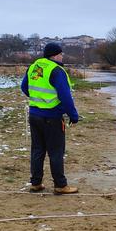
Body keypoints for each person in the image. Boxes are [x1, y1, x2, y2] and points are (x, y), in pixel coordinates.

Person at [21, 43, 79, 194]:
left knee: (37, 150)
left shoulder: (34, 66)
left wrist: (37, 99)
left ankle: (36, 183)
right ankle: (60, 185)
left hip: (34, 115)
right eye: (61, 54)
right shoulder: (57, 70)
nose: (62, 56)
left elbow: (24, 87)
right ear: (54, 55)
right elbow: (65, 96)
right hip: (52, 117)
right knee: (56, 152)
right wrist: (73, 115)